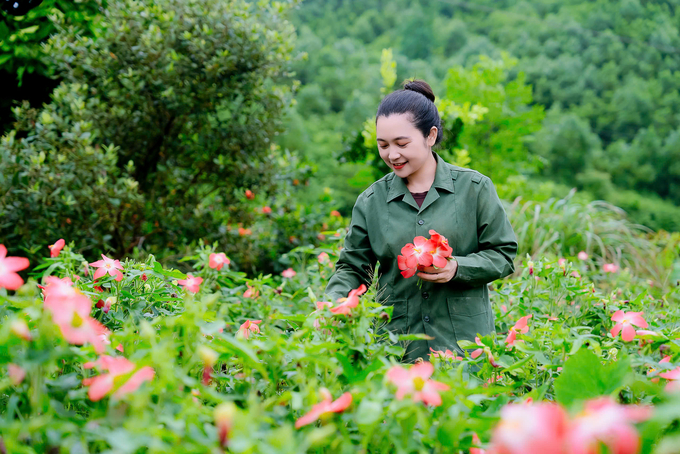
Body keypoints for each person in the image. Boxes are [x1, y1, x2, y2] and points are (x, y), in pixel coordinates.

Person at [323, 79, 518, 363]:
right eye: (383, 145)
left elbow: (503, 254)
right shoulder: (371, 201)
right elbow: (353, 268)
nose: (392, 155)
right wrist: (333, 303)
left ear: (430, 135)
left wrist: (457, 268)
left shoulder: (474, 189)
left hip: (464, 347)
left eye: (402, 143)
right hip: (396, 348)